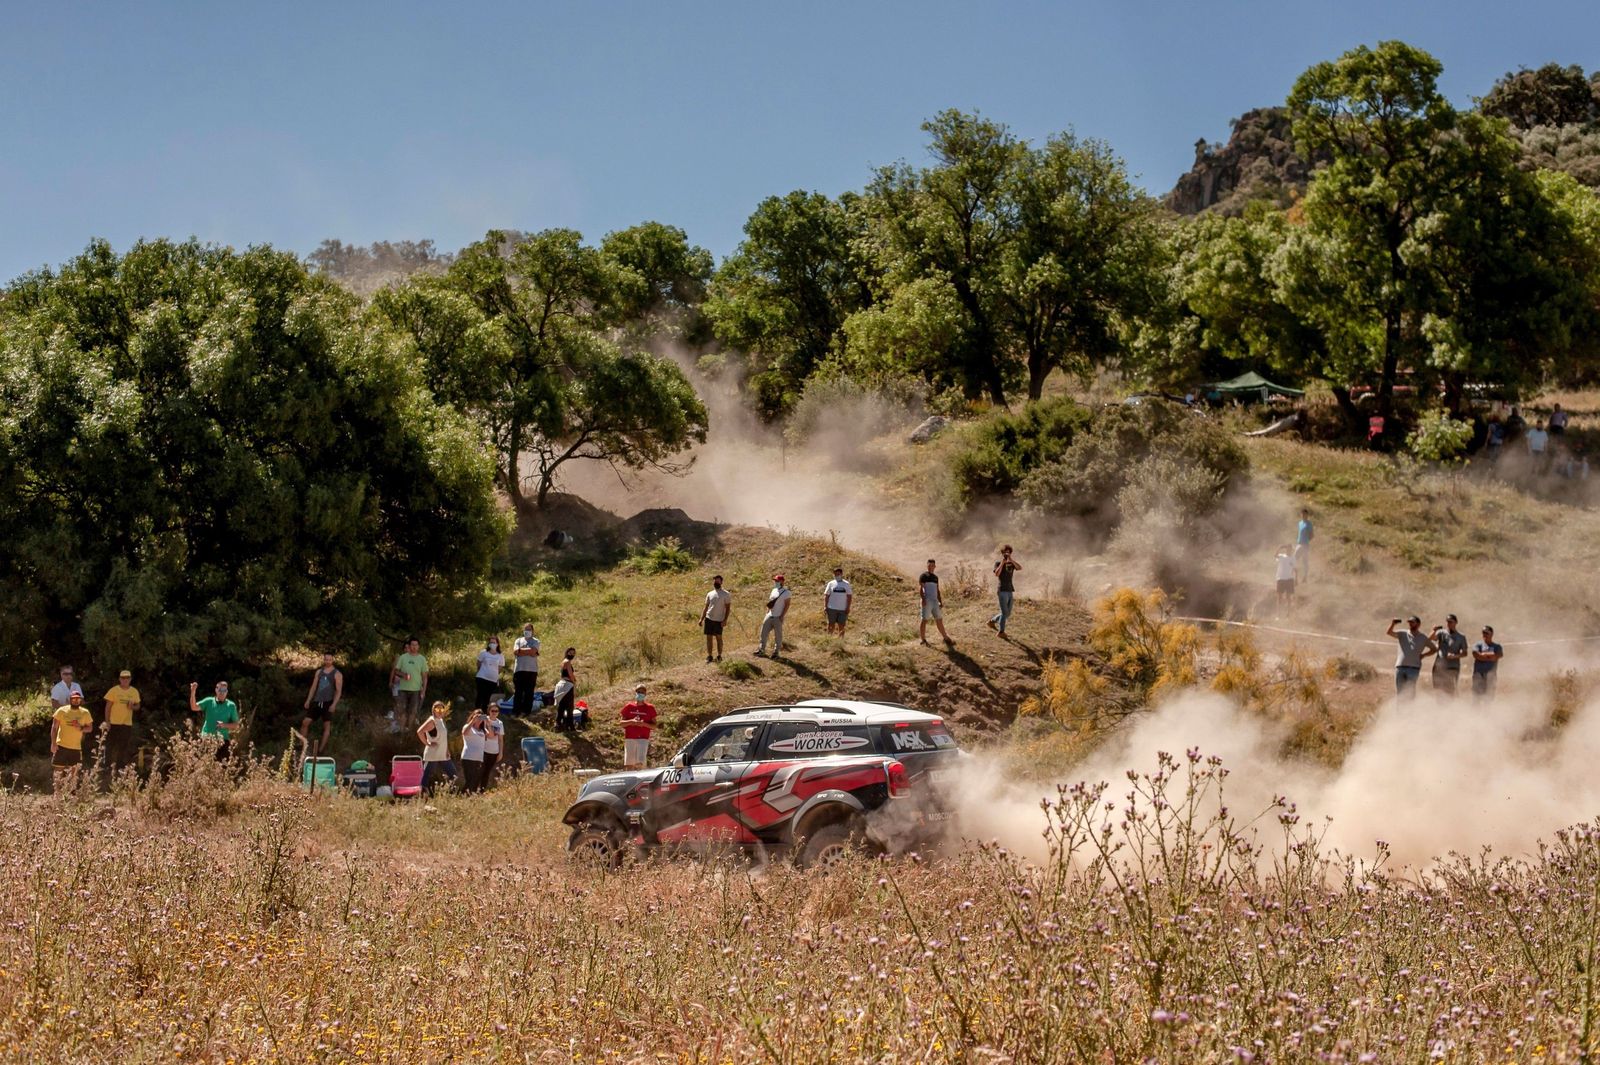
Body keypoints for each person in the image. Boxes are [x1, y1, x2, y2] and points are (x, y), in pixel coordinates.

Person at [301, 653, 342, 763]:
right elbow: (313, 687)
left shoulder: (337, 674)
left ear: (332, 660)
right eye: (326, 659)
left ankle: (320, 751)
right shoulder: (319, 672)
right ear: (323, 660)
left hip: (328, 703)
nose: (327, 661)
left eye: (329, 659)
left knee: (326, 726)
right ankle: (304, 747)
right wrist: (308, 700)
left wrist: (334, 704)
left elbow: (338, 691)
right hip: (317, 701)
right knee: (305, 722)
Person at [50, 690, 94, 791]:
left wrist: (81, 728)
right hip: (61, 745)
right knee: (58, 771)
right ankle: (57, 793)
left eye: (77, 699)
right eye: (73, 699)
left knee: (74, 772)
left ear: (80, 700)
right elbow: (54, 727)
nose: (75, 701)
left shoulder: (85, 713)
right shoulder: (61, 710)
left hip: (76, 747)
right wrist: (53, 743)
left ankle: (71, 793)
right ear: (69, 699)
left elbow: (90, 728)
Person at [1385, 616, 1436, 701]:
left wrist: (1423, 655)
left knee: (1410, 692)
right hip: (1400, 667)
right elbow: (1389, 632)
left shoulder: (1423, 637)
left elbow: (1434, 649)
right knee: (1400, 693)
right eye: (1409, 622)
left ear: (1418, 624)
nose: (1410, 624)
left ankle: (1410, 712)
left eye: (1412, 622)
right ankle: (1400, 713)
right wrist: (1393, 623)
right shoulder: (1402, 633)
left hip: (1414, 668)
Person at [188, 680, 240, 761]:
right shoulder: (209, 701)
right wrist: (193, 692)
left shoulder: (231, 706)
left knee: (222, 768)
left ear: (227, 692)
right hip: (206, 739)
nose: (222, 693)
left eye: (224, 691)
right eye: (220, 690)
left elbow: (236, 725)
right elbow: (193, 707)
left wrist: (224, 725)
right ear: (216, 690)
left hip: (223, 741)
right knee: (201, 765)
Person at [102, 670, 141, 772]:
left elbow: (138, 706)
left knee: (123, 746)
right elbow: (108, 707)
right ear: (120, 679)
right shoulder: (114, 690)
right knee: (109, 745)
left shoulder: (134, 691)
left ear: (130, 679)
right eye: (123, 678)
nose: (125, 680)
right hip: (113, 723)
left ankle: (120, 766)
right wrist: (107, 721)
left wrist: (133, 706)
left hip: (126, 723)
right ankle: (106, 766)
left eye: (127, 678)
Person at [389, 637, 429, 733]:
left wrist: (423, 691)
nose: (414, 647)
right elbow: (396, 671)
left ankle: (409, 730)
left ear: (418, 647)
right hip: (403, 689)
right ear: (409, 646)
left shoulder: (422, 659)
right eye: (412, 645)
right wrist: (403, 675)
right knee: (402, 710)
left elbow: (425, 677)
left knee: (413, 711)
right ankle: (402, 731)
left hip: (416, 690)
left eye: (416, 645)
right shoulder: (403, 657)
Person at [417, 701, 456, 794]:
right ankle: (422, 797)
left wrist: (447, 750)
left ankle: (449, 794)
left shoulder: (441, 720)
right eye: (437, 709)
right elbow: (419, 731)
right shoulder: (432, 720)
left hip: (442, 754)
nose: (439, 711)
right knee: (426, 777)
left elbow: (444, 738)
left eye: (441, 709)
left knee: (453, 774)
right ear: (433, 710)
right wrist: (427, 743)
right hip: (433, 754)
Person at [1429, 615, 1469, 697]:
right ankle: (1439, 708)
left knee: (1450, 691)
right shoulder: (1441, 633)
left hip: (1452, 667)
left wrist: (1455, 656)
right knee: (1438, 689)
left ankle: (1450, 708)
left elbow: (1465, 653)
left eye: (1451, 622)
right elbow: (1429, 639)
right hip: (1439, 666)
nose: (1448, 623)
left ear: (1456, 623)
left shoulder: (1461, 637)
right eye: (1447, 621)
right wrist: (1434, 630)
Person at [621, 684, 657, 771]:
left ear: (645, 694)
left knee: (640, 763)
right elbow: (621, 723)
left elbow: (654, 726)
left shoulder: (650, 708)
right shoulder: (629, 707)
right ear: (635, 693)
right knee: (629, 764)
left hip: (643, 739)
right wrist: (631, 722)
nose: (640, 694)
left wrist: (644, 724)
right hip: (630, 738)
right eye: (638, 692)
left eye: (642, 692)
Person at [918, 559, 953, 647]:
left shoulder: (935, 578)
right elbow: (921, 589)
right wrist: (923, 599)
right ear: (927, 566)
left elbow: (937, 590)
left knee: (939, 619)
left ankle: (945, 637)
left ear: (935, 566)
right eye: (929, 565)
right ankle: (923, 640)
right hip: (927, 600)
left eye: (932, 565)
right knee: (924, 620)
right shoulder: (923, 576)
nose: (931, 567)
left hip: (935, 601)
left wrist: (940, 601)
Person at [755, 574, 791, 659]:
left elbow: (787, 605)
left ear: (782, 581)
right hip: (770, 614)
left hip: (778, 616)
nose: (775, 582)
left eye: (777, 581)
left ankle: (776, 653)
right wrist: (767, 613)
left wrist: (782, 615)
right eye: (775, 581)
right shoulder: (774, 590)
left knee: (778, 635)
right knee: (763, 632)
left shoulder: (787, 593)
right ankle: (761, 649)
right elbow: (770, 602)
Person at [988, 546, 1021, 637]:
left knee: (1008, 613)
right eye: (1005, 553)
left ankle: (991, 621)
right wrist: (1002, 564)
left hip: (1010, 589)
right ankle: (1001, 632)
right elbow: (996, 574)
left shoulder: (1012, 563)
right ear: (1002, 554)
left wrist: (1011, 560)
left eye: (1009, 552)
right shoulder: (998, 563)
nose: (1007, 554)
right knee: (1004, 612)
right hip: (1002, 590)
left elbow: (1019, 568)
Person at [511, 624, 540, 717]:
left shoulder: (536, 641)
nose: (527, 631)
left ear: (532, 631)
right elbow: (516, 651)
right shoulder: (518, 640)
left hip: (532, 670)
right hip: (519, 669)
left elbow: (533, 651)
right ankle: (516, 712)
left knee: (529, 692)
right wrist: (529, 652)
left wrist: (522, 651)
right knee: (518, 692)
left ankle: (526, 712)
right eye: (525, 629)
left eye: (529, 629)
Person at [702, 575, 732, 662]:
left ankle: (719, 656)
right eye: (715, 581)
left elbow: (728, 608)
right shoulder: (710, 594)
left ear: (721, 582)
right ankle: (710, 656)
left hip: (719, 620)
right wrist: (701, 619)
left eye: (718, 581)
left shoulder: (726, 594)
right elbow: (706, 607)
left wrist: (725, 620)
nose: (716, 582)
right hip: (709, 619)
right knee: (709, 638)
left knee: (719, 638)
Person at [1472, 627, 1505, 699]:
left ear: (1492, 634)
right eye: (1483, 633)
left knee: (1489, 697)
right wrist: (1490, 656)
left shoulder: (1497, 646)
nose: (1485, 635)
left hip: (1491, 676)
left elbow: (1497, 656)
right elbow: (1476, 655)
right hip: (1478, 674)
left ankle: (1487, 710)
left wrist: (1483, 655)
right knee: (1476, 697)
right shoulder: (1478, 645)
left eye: (1487, 633)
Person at [473, 636, 504, 712]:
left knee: (487, 698)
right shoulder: (483, 652)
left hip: (492, 680)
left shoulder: (500, 656)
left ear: (497, 644)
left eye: (494, 642)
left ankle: (484, 714)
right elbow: (478, 663)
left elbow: (500, 668)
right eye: (491, 642)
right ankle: (476, 712)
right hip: (481, 677)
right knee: (480, 695)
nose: (492, 644)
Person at [460, 710, 488, 793]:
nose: (479, 718)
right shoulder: (468, 727)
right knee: (470, 780)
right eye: (477, 716)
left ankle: (471, 798)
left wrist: (485, 722)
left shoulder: (482, 730)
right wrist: (473, 721)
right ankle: (462, 796)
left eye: (481, 717)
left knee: (476, 780)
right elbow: (464, 733)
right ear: (473, 716)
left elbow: (488, 736)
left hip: (479, 758)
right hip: (468, 757)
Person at [823, 567, 853, 636]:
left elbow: (849, 596)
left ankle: (841, 640)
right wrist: (825, 606)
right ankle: (829, 639)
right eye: (835, 574)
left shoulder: (846, 584)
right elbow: (826, 595)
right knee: (830, 624)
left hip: (842, 609)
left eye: (838, 574)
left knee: (841, 625)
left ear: (841, 574)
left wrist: (848, 607)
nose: (837, 576)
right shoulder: (831, 583)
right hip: (831, 608)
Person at [481, 704, 505, 789]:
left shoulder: (499, 723)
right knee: (480, 771)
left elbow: (500, 739)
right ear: (489, 711)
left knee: (487, 772)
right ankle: (473, 789)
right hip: (483, 750)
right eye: (492, 711)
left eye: (496, 711)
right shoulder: (483, 718)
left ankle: (482, 790)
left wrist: (501, 752)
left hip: (494, 751)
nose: (494, 713)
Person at [553, 649, 578, 730]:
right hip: (567, 684)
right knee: (570, 706)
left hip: (562, 684)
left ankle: (558, 724)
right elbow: (570, 674)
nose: (572, 654)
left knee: (562, 706)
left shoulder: (564, 661)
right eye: (570, 653)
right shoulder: (567, 662)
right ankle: (570, 726)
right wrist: (574, 681)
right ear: (567, 652)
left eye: (573, 653)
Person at [1273, 546, 1296, 614]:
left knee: (1288, 597)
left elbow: (1295, 568)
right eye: (1287, 549)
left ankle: (1288, 614)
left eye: (1290, 549)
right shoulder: (1281, 556)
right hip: (1280, 578)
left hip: (1289, 579)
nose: (1288, 550)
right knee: (1279, 597)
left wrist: (1296, 579)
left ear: (1291, 550)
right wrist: (1279, 548)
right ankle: (1278, 614)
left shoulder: (1293, 558)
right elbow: (1275, 555)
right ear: (1286, 549)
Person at [1295, 509, 1314, 584]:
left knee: (1304, 561)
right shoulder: (1300, 523)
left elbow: (1312, 535)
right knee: (1295, 560)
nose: (1303, 516)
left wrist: (1306, 541)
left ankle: (1304, 577)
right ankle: (1297, 577)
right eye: (1302, 514)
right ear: (1301, 515)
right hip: (1299, 543)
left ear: (1307, 515)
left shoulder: (1309, 524)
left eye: (1305, 514)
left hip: (1304, 545)